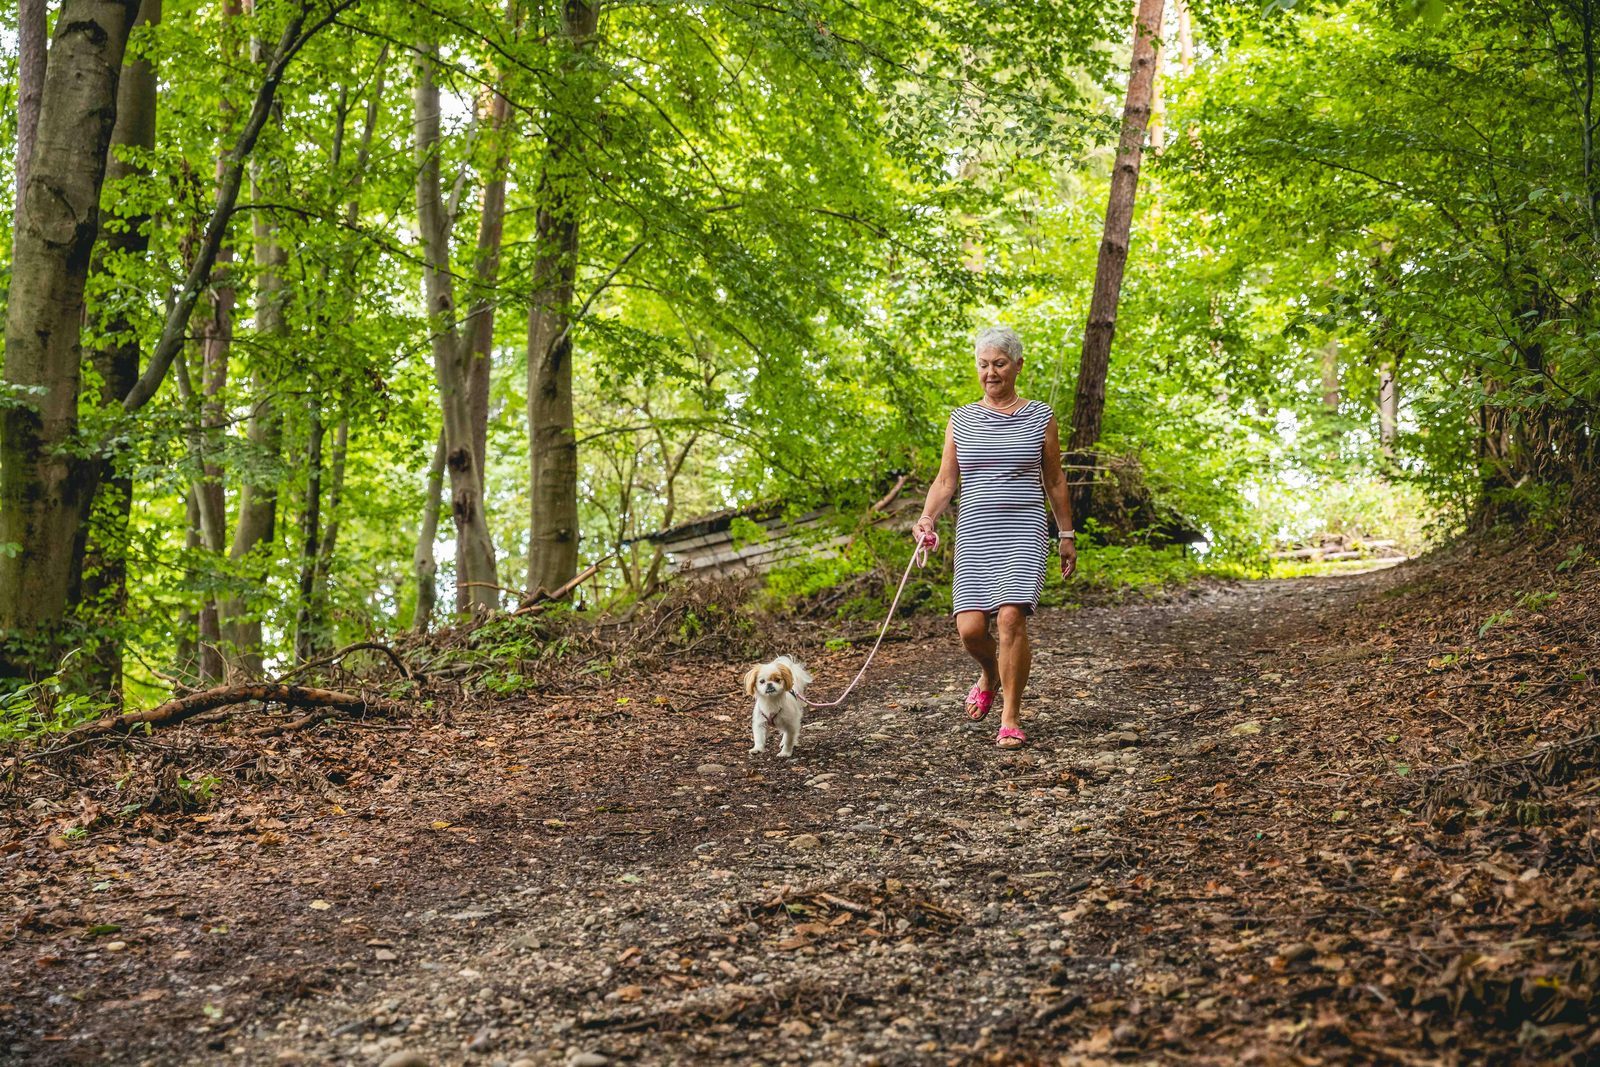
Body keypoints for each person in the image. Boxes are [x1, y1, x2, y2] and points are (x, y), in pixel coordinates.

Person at [911, 326, 1077, 749]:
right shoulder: (961, 419)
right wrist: (927, 518)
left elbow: (1054, 479)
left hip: (1023, 530)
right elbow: (946, 480)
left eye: (999, 364)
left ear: (1018, 366)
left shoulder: (1041, 416)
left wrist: (1066, 534)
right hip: (975, 534)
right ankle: (989, 673)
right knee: (969, 630)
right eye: (983, 365)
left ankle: (1010, 717)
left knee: (1009, 618)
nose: (990, 372)